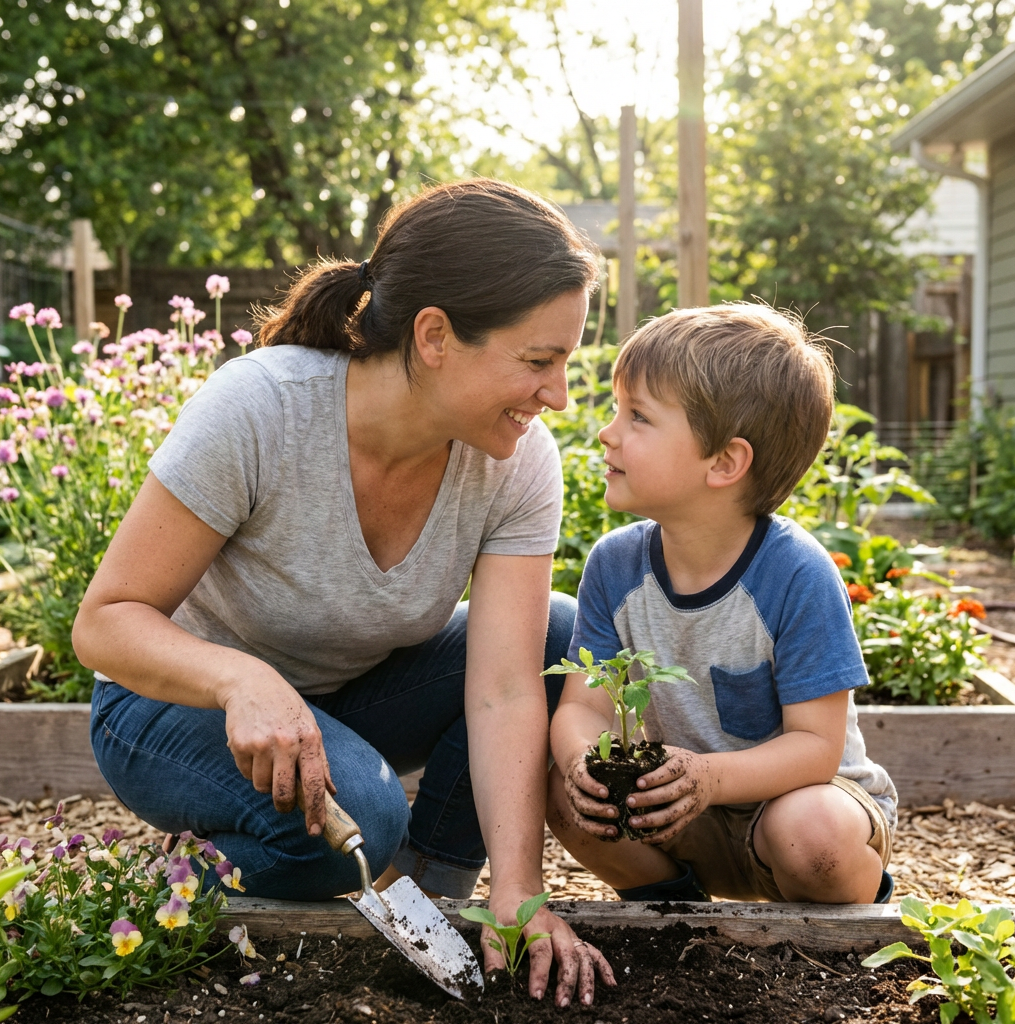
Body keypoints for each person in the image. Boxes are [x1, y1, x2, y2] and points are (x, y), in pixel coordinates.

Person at [73, 179, 615, 1006]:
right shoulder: (264, 409)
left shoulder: (517, 461)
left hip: (341, 705)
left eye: (566, 362)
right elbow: (106, 625)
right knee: (358, 814)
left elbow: (506, 689)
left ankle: (427, 896)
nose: (559, 396)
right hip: (170, 707)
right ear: (434, 335)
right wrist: (239, 679)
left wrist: (519, 893)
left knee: (554, 635)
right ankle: (179, 875)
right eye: (539, 361)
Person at [547, 304, 897, 906]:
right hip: (682, 815)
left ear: (725, 463)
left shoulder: (796, 573)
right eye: (615, 411)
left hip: (800, 805)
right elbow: (585, 705)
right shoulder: (616, 565)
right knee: (560, 794)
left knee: (812, 837)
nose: (608, 433)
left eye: (638, 417)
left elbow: (817, 747)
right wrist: (584, 762)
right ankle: (675, 912)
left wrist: (710, 778)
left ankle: (851, 917)